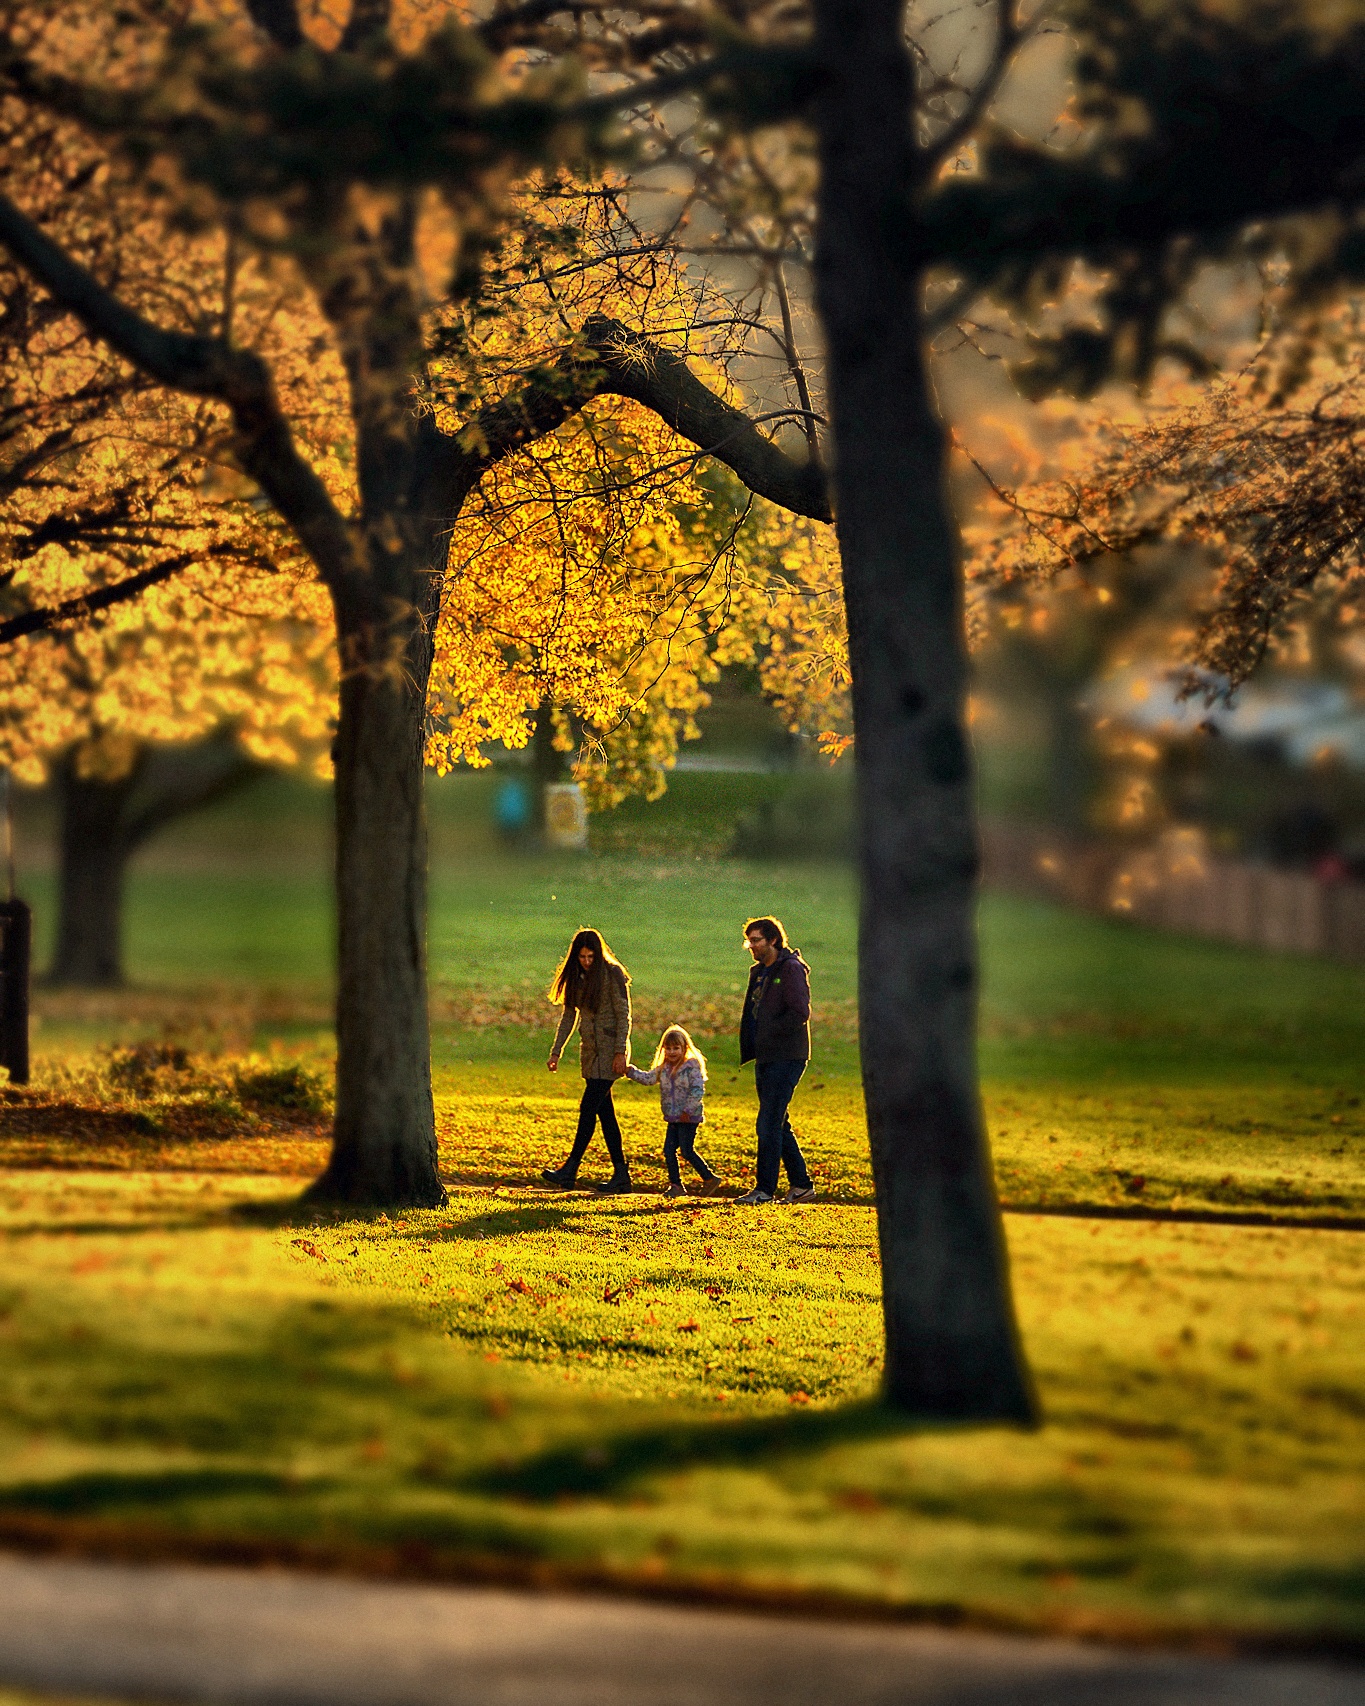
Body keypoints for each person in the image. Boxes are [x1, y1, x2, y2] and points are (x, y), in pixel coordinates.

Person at [540, 928, 633, 1194]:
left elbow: (623, 1015)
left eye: (591, 956)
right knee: (606, 1115)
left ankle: (570, 1168)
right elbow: (569, 1016)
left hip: (611, 1052)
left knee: (587, 1108)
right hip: (591, 1053)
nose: (586, 961)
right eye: (582, 956)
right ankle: (621, 1175)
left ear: (598, 953)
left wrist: (620, 1052)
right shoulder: (576, 977)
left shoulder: (613, 974)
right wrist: (556, 1051)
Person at [735, 915, 815, 1206]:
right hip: (766, 1055)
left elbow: (800, 1012)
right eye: (749, 941)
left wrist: (770, 1031)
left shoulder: (790, 969)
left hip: (788, 1055)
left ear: (772, 940)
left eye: (756, 940)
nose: (751, 946)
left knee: (768, 1122)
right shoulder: (759, 972)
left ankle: (764, 1190)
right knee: (777, 1122)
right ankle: (801, 1185)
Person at [625, 1025, 720, 1200]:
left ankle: (709, 1178)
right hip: (673, 1116)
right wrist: (630, 1071)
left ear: (684, 1048)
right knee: (669, 1150)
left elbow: (698, 1090)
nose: (672, 1052)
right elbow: (648, 1078)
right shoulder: (664, 1068)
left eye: (676, 1048)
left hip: (688, 1117)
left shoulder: (691, 1067)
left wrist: (688, 1110)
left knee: (686, 1150)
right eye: (668, 1048)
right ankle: (676, 1185)